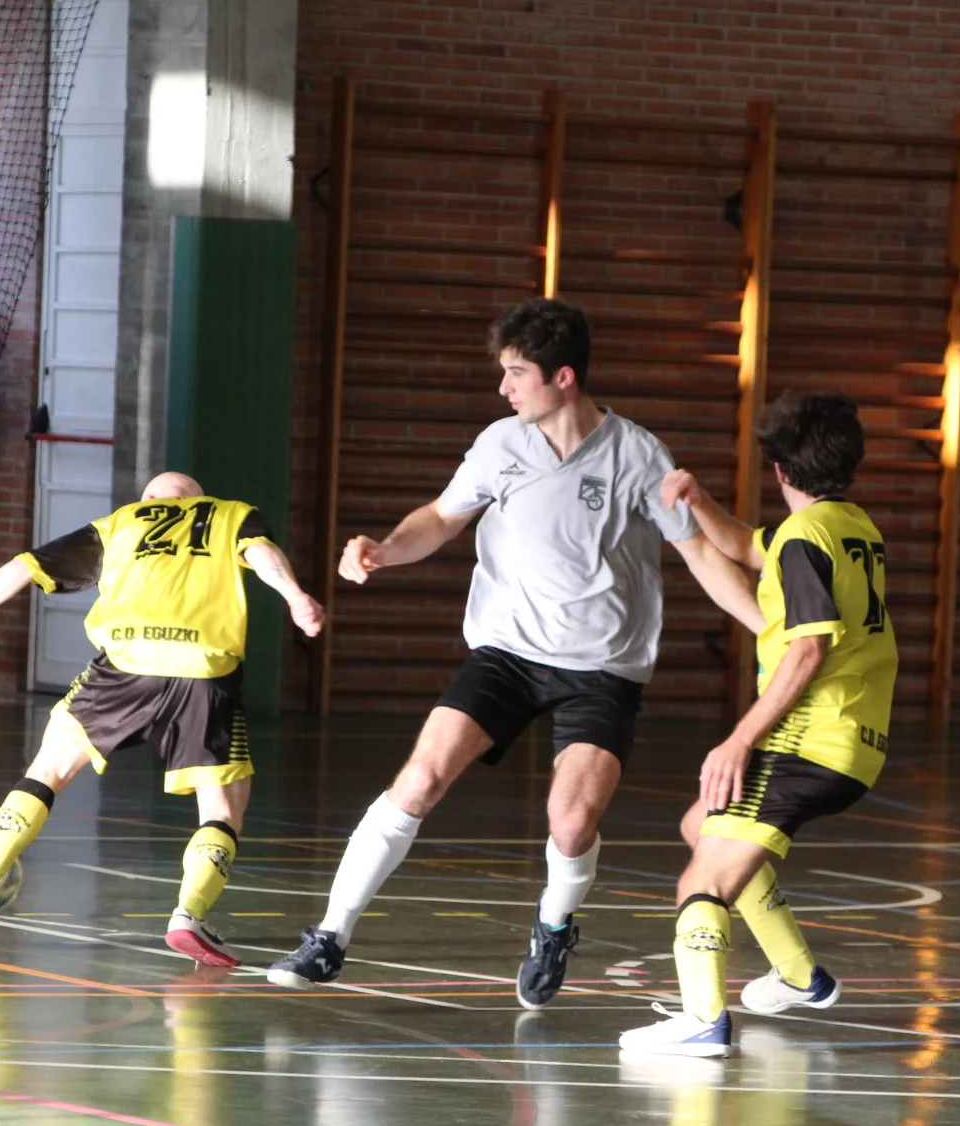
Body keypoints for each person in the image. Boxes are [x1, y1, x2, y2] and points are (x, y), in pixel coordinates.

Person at [268, 298, 759, 1007]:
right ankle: (329, 936)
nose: (504, 387)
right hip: (507, 654)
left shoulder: (636, 454)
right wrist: (385, 549)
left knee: (572, 820)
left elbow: (702, 555)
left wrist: (769, 626)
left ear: (563, 377)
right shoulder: (500, 444)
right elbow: (440, 518)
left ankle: (554, 926)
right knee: (421, 775)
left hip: (602, 669)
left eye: (516, 373)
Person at [0, 472, 324, 967]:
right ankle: (189, 916)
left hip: (124, 666)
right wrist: (295, 597)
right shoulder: (231, 514)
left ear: (148, 500)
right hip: (204, 672)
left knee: (47, 771)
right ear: (198, 498)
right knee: (222, 809)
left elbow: (24, 566)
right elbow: (263, 554)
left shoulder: (122, 523)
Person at [619, 391, 896, 1058]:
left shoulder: (805, 539)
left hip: (809, 738)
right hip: (855, 740)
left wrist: (738, 739)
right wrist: (698, 501)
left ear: (778, 468)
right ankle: (800, 977)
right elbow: (747, 545)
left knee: (703, 881)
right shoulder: (850, 525)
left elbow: (808, 649)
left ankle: (702, 1020)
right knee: (701, 825)